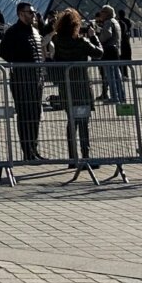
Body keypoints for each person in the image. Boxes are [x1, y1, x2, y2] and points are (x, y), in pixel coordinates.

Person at [49, 9, 103, 166]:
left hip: (66, 87)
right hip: (81, 86)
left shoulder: (57, 40)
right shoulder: (81, 42)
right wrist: (93, 36)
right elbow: (99, 53)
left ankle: (72, 158)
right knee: (83, 121)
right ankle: (86, 156)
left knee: (71, 121)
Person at [0, 2, 45, 162]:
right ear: (20, 14)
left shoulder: (35, 31)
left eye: (34, 11)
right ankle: (27, 151)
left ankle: (34, 149)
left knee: (35, 115)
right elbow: (2, 51)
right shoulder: (13, 32)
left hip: (37, 79)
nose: (34, 15)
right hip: (22, 80)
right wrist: (19, 63)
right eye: (30, 12)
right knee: (25, 115)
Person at [93, 5, 125, 104]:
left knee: (110, 76)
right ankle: (121, 96)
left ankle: (114, 98)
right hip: (115, 51)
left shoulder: (108, 22)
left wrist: (99, 40)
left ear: (107, 13)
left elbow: (107, 34)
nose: (100, 13)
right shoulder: (115, 22)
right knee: (117, 75)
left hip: (109, 51)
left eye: (102, 11)